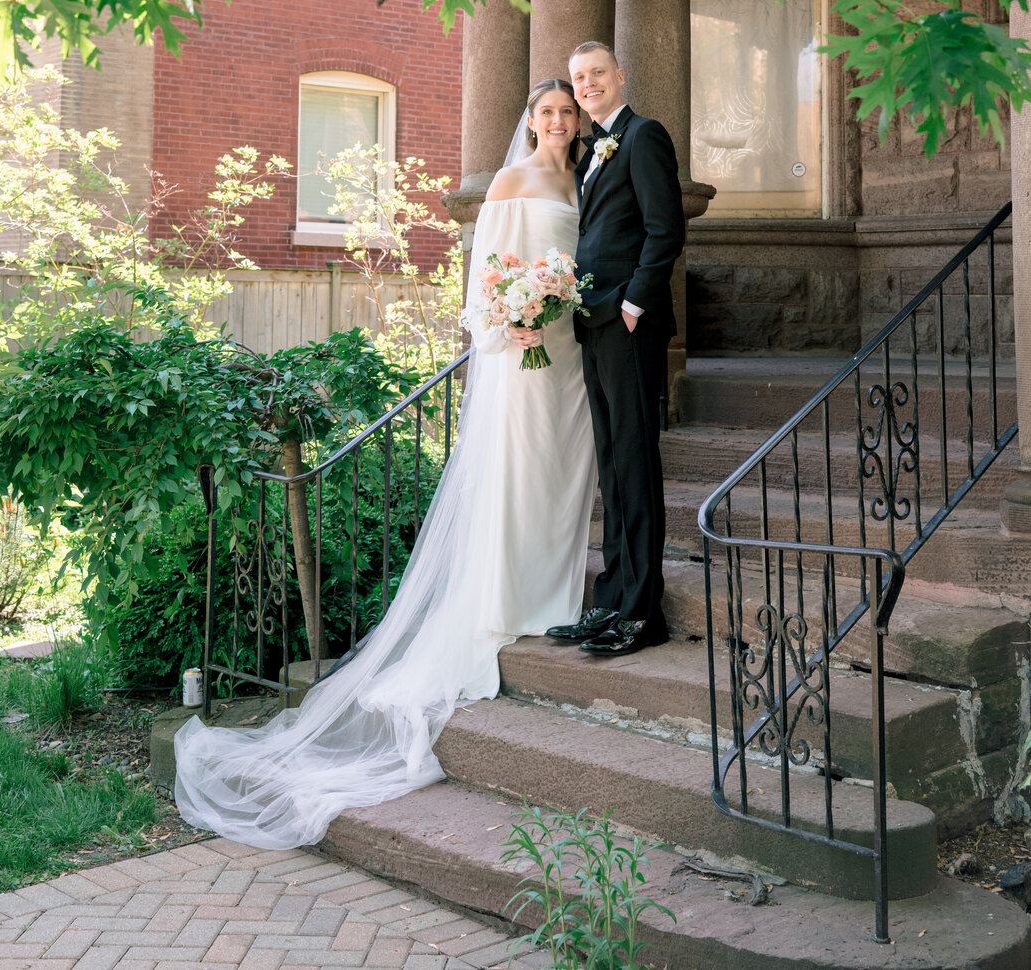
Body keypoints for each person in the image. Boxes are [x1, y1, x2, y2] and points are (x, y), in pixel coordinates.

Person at [172, 78, 597, 848]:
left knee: (565, 478)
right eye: (549, 112)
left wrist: (554, 315)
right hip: (520, 353)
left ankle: (553, 596)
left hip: (568, 353)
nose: (560, 122)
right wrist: (511, 325)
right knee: (517, 474)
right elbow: (487, 276)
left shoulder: (581, 176)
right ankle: (508, 606)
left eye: (569, 112)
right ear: (530, 120)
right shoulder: (512, 179)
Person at [544, 42, 685, 659]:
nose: (589, 84)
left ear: (619, 75)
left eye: (597, 73)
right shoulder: (591, 152)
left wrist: (634, 303)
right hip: (591, 320)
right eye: (580, 78)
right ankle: (610, 599)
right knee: (609, 462)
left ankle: (641, 612)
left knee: (634, 459)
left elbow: (665, 228)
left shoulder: (644, 136)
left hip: (628, 321)